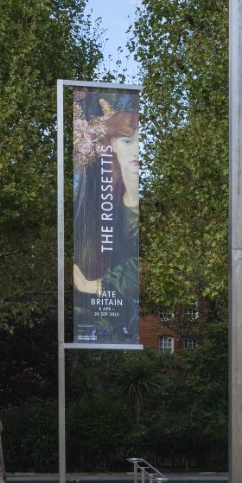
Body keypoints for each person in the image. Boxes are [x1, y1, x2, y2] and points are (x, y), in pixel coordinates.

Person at [72, 93, 139, 344]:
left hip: (120, 312)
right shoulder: (98, 193)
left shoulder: (141, 202)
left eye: (138, 141)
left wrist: (95, 285)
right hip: (96, 311)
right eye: (126, 141)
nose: (135, 151)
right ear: (113, 146)